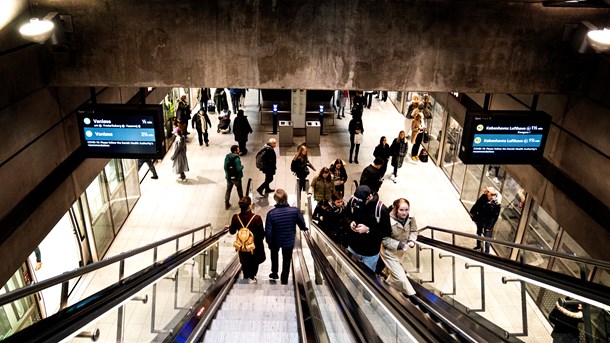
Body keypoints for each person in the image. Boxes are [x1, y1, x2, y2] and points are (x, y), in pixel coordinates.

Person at [265, 189, 308, 284]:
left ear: (276, 200)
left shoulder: (271, 213)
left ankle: (274, 273)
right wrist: (303, 228)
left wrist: (269, 242)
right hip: (288, 241)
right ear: (287, 198)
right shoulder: (295, 211)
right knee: (287, 260)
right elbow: (302, 225)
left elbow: (268, 231)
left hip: (275, 241)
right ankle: (284, 278)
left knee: (274, 256)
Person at [345, 185, 392, 273]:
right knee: (350, 272)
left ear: (370, 197)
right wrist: (350, 222)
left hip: (370, 252)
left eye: (362, 203)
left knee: (367, 275)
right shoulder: (353, 202)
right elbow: (346, 215)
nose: (359, 205)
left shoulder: (381, 210)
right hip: (353, 246)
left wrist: (368, 230)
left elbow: (386, 232)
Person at [380, 198, 418, 297]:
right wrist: (400, 245)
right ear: (396, 209)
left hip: (400, 253)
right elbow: (385, 239)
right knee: (401, 279)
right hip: (389, 253)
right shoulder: (387, 220)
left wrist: (411, 241)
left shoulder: (411, 218)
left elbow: (414, 230)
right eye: (401, 210)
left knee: (394, 275)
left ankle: (384, 289)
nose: (404, 213)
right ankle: (411, 297)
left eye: (406, 210)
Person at [228, 196, 266, 284]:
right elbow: (261, 234)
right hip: (254, 247)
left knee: (244, 262)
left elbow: (232, 231)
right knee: (254, 263)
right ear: (250, 206)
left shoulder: (236, 217)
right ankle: (252, 277)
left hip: (242, 246)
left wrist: (230, 227)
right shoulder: (256, 218)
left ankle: (246, 277)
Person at [470, 187, 502, 253]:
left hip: (488, 223)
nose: (492, 196)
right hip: (481, 219)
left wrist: (490, 226)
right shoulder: (483, 197)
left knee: (487, 238)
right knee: (478, 233)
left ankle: (487, 252)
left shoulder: (496, 203)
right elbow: (477, 204)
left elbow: (495, 217)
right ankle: (478, 246)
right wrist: (473, 213)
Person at [224, 145, 244, 210]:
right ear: (235, 151)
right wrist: (242, 167)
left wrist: (228, 174)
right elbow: (238, 169)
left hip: (229, 177)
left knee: (228, 190)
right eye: (238, 150)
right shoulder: (237, 159)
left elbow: (225, 167)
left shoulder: (227, 157)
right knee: (239, 189)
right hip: (236, 178)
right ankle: (242, 203)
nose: (239, 150)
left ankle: (227, 203)